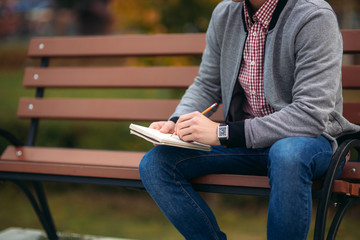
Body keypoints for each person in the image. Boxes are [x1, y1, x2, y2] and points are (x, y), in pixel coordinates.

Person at [139, 0, 360, 239]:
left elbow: (310, 114)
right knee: (156, 164)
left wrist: (223, 133)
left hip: (309, 143)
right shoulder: (226, 13)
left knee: (287, 154)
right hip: (245, 144)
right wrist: (176, 122)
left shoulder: (314, 16)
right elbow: (207, 84)